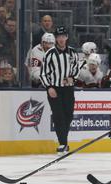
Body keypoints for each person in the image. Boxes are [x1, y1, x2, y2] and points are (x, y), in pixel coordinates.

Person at [40, 26, 79, 155]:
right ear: (56, 38)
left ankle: (64, 142)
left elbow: (76, 69)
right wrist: (49, 87)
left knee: (69, 115)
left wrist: (72, 78)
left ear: (67, 37)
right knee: (58, 116)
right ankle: (63, 143)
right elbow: (43, 73)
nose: (61, 39)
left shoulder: (73, 52)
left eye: (63, 36)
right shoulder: (50, 54)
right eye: (59, 37)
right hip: (54, 89)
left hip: (68, 89)